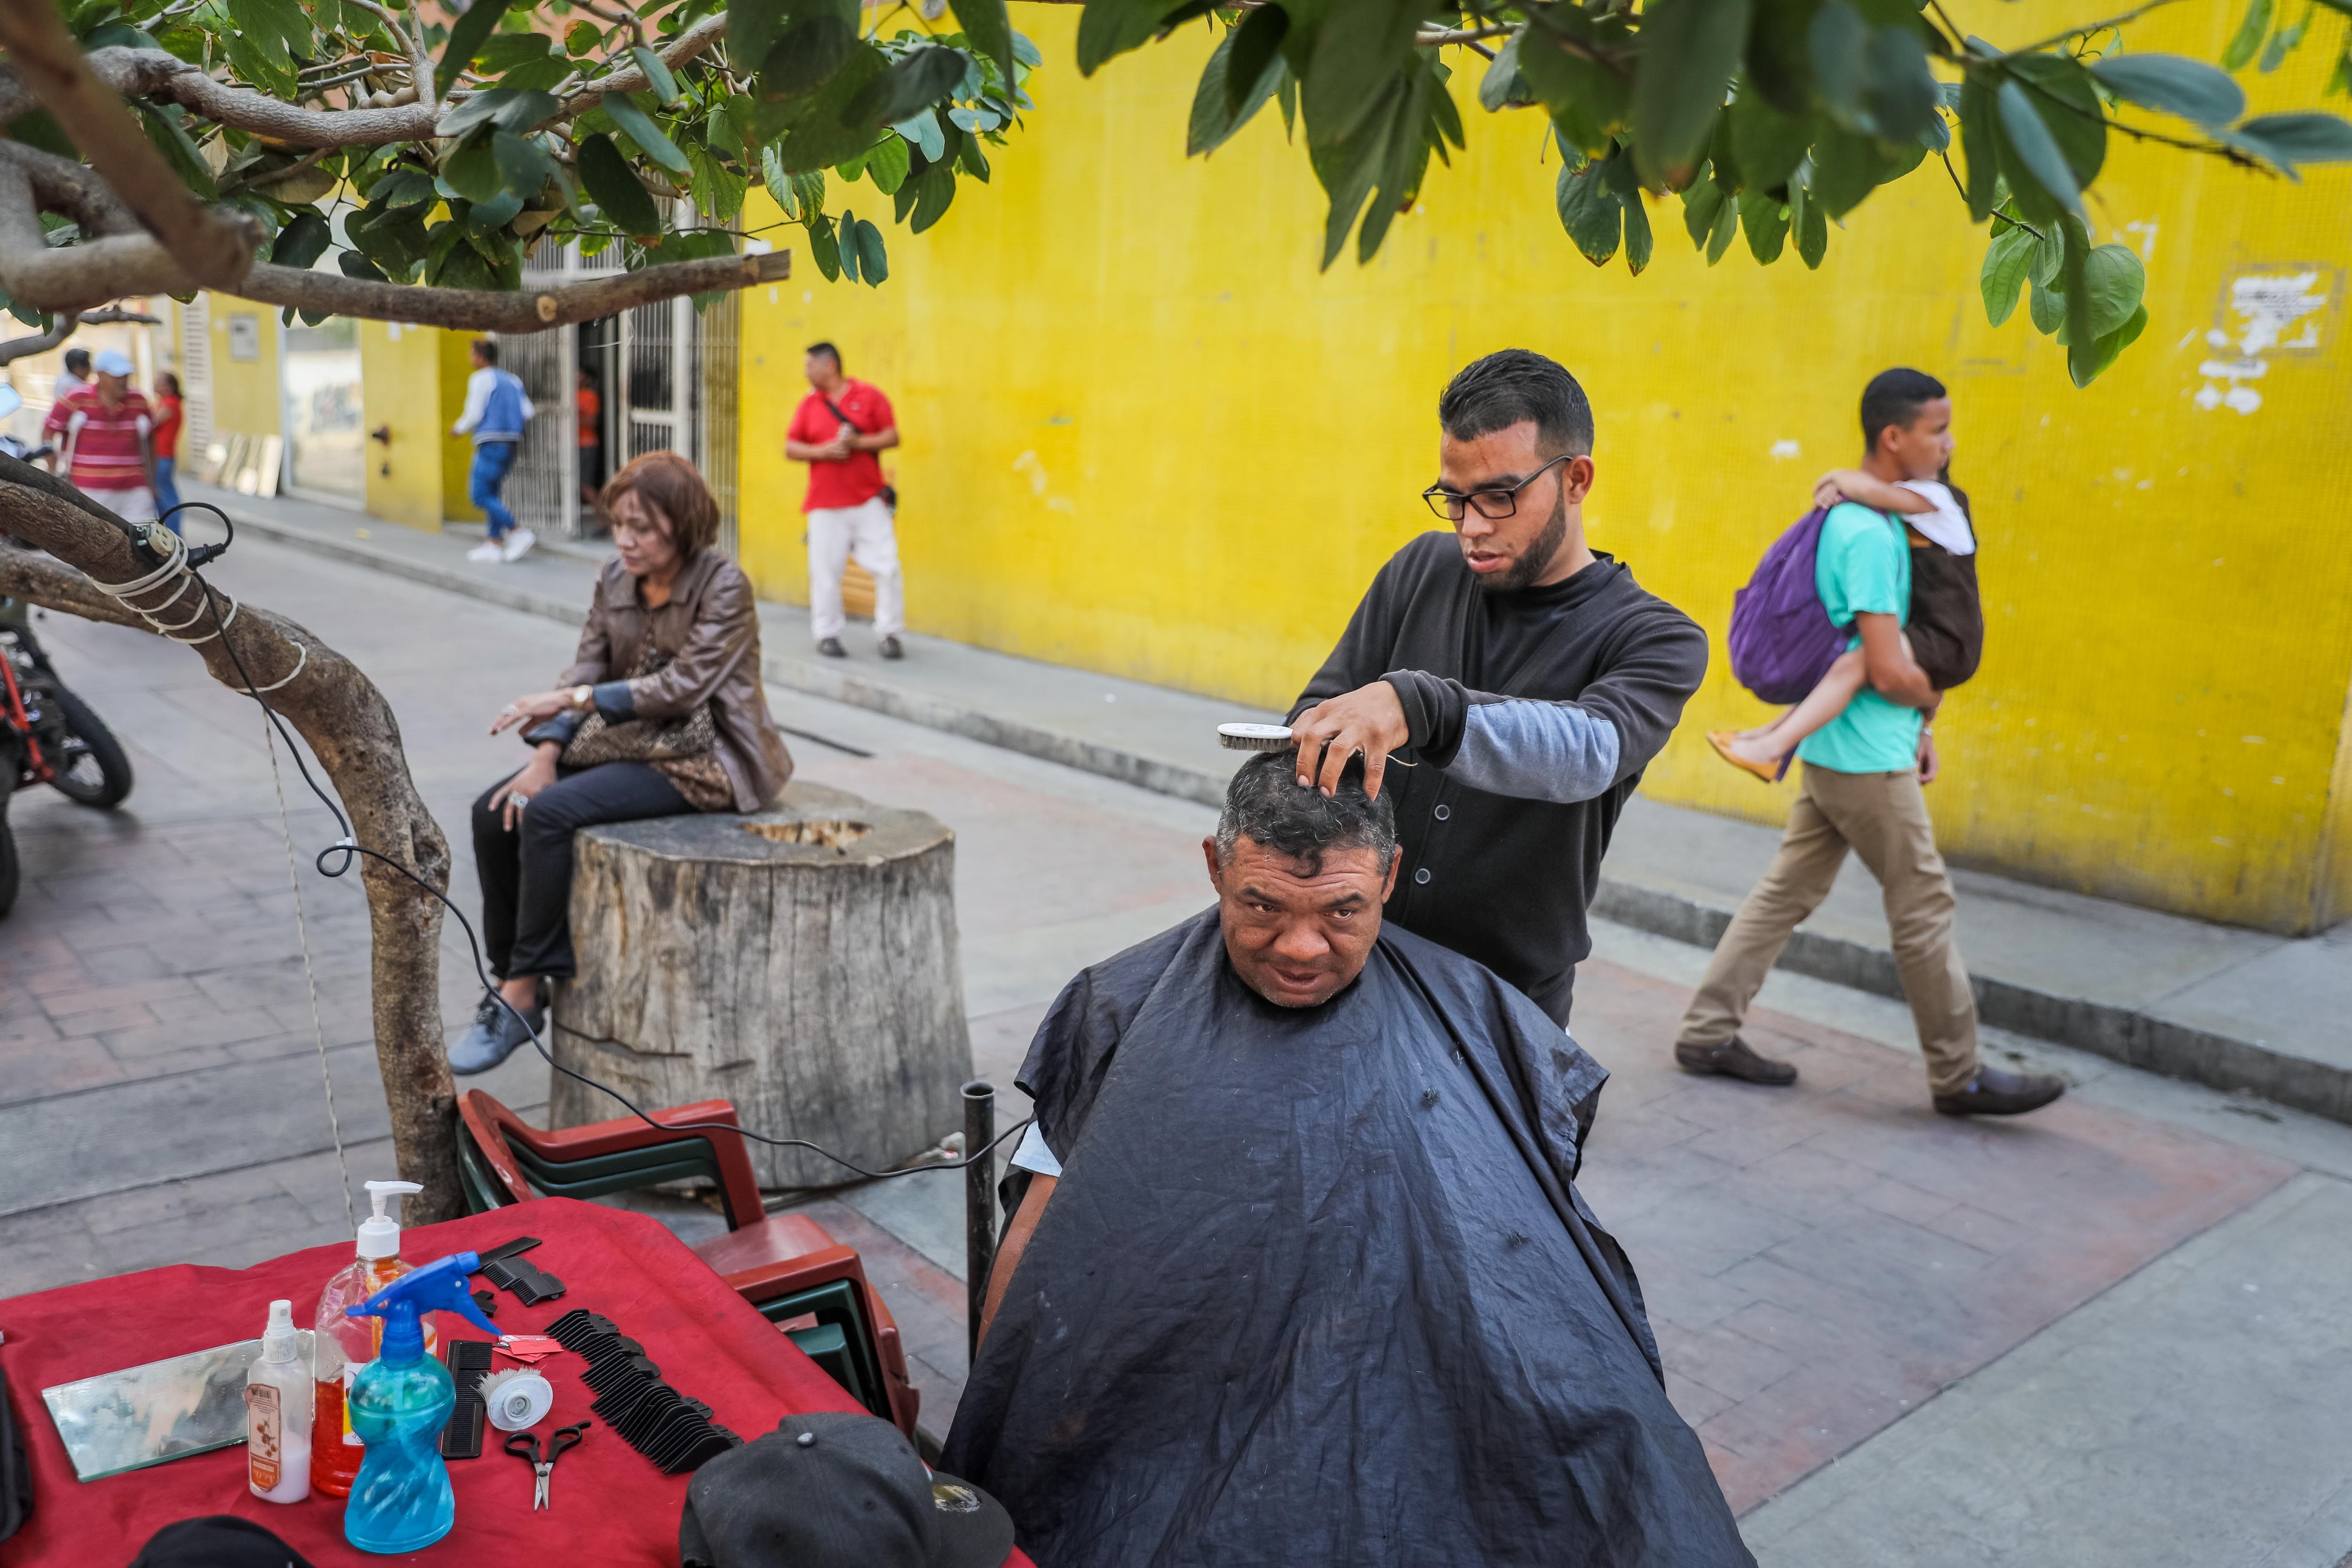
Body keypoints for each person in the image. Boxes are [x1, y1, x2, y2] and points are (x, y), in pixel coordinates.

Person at [946, 752, 1754, 1567]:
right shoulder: (1118, 1010)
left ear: (1391, 877)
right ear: (1215, 865)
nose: (1300, 947)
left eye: (1342, 910)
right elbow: (1036, 1238)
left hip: (1422, 1382)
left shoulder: (1474, 1016)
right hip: (1185, 1399)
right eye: (1261, 904)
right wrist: (1004, 1410)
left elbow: (1541, 1260)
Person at [1671, 369, 2063, 1116]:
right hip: (1867, 760)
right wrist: (1920, 702)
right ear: (1895, 437)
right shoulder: (1871, 534)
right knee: (1924, 907)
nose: (1948, 445)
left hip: (1842, 747)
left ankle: (1707, 1030)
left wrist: (1922, 724)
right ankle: (1959, 1074)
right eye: (1937, 432)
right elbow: (1885, 662)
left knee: (1784, 894)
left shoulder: (1862, 518)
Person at [1286, 349, 1708, 1027]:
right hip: (1359, 968)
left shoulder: (1656, 638)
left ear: (1576, 479)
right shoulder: (1421, 568)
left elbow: (1588, 752)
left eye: (1499, 497)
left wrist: (1417, 708)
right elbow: (1320, 710)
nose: (1472, 526)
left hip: (1508, 1007)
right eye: (1454, 499)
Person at [450, 452, 793, 1073]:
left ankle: (525, 991)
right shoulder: (613, 577)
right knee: (499, 808)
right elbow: (586, 666)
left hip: (709, 758)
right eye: (619, 525)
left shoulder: (723, 585)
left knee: (549, 814)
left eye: (644, 528)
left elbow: (685, 688)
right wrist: (546, 754)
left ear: (684, 526)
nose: (627, 541)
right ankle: (512, 985)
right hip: (629, 740)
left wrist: (572, 701)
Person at [1709, 458, 1981, 780]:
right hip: (1933, 639)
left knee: (1854, 664)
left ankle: (1771, 746)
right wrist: (1926, 725)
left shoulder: (1940, 499)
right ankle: (1767, 739)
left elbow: (1865, 487)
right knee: (1842, 667)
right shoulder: (1900, 511)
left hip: (1952, 642)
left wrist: (1834, 478)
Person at [785, 341, 903, 660]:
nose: (806, 372)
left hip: (868, 499)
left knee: (888, 566)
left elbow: (892, 436)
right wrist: (820, 452)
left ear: (829, 366)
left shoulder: (869, 396)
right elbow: (791, 447)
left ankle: (890, 633)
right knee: (824, 571)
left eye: (810, 365)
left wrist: (859, 443)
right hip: (825, 504)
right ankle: (827, 634)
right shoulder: (809, 404)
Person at [43, 349, 158, 524]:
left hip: (135, 489)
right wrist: (53, 469)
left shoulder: (139, 400)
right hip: (88, 489)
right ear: (100, 375)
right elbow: (48, 432)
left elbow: (150, 439)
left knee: (143, 542)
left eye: (126, 376)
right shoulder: (76, 398)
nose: (123, 381)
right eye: (117, 376)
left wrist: (152, 482)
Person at [451, 337, 536, 564]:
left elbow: (475, 414)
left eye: (471, 354)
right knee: (493, 493)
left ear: (479, 356)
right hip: (511, 443)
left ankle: (517, 532)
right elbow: (528, 411)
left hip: (490, 442)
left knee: (479, 495)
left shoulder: (480, 379)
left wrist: (458, 429)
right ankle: (494, 543)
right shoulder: (512, 380)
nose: (470, 358)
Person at [150, 370, 184, 528]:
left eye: (160, 382)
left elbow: (152, 423)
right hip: (160, 456)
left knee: (165, 496)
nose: (155, 384)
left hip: (163, 456)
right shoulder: (165, 402)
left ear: (169, 387)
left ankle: (174, 532)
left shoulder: (170, 404)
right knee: (162, 495)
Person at [576, 365, 605, 516]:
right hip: (574, 445)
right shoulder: (570, 395)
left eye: (578, 374)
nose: (575, 376)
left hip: (587, 445)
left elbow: (592, 422)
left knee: (586, 486)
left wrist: (574, 415)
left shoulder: (590, 396)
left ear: (586, 378)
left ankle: (605, 520)